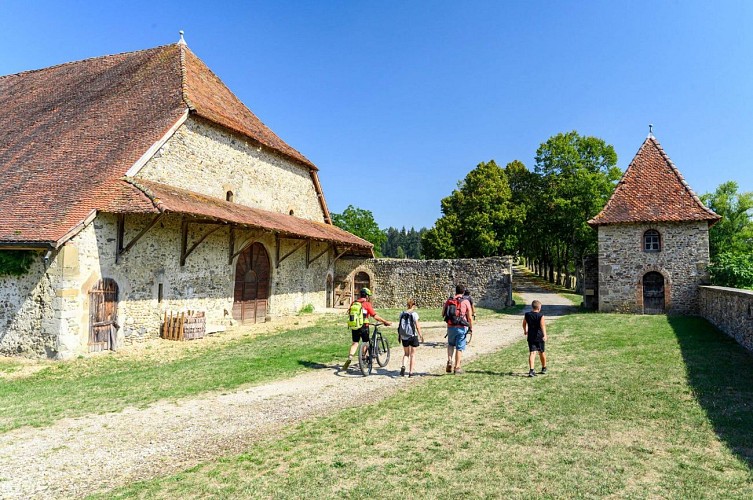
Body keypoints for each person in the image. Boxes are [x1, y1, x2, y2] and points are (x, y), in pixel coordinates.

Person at [342, 287, 392, 370]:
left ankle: (350, 357)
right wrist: (385, 321)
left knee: (355, 343)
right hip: (364, 326)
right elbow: (375, 316)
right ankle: (363, 358)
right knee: (365, 342)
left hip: (355, 326)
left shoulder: (354, 303)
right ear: (367, 296)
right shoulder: (367, 304)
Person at [443, 284, 473, 375]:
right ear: (463, 292)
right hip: (461, 327)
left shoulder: (449, 300)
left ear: (455, 291)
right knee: (459, 348)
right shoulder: (466, 301)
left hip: (450, 326)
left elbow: (443, 313)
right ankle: (457, 367)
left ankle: (449, 360)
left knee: (451, 344)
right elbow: (470, 317)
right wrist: (471, 328)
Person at [398, 298, 423, 377]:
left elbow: (400, 326)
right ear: (413, 305)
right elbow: (417, 326)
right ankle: (411, 372)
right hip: (412, 336)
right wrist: (421, 335)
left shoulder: (402, 314)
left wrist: (399, 336)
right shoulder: (414, 314)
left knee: (406, 354)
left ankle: (403, 366)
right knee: (413, 354)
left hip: (404, 336)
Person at [523, 299, 548, 377]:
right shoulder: (540, 316)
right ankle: (544, 368)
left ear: (532, 307)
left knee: (532, 353)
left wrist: (525, 330)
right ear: (539, 308)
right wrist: (545, 335)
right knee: (541, 352)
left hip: (531, 336)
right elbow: (542, 326)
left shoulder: (527, 314)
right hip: (539, 336)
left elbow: (524, 323)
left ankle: (531, 370)